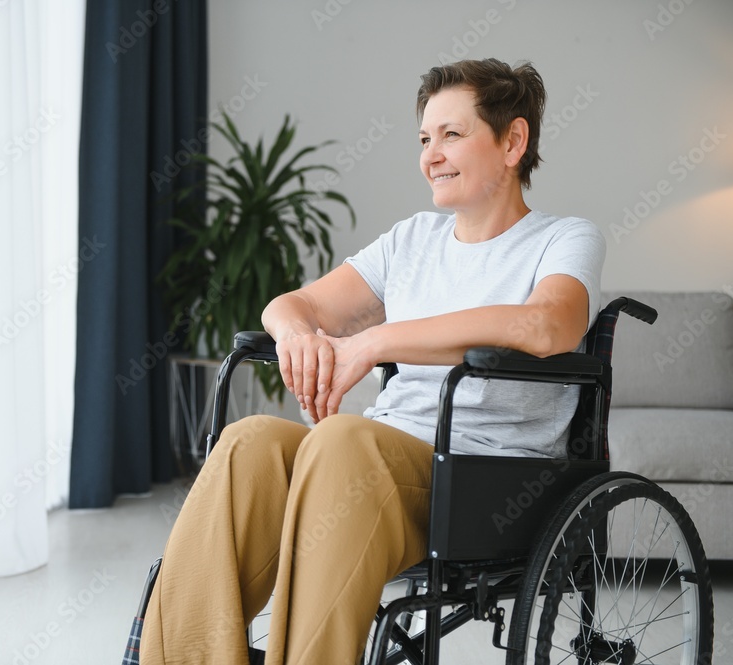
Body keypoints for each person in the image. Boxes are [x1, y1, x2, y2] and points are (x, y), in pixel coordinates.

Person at [137, 58, 606, 665]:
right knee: (247, 441)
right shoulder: (411, 240)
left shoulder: (563, 238)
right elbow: (292, 303)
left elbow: (548, 325)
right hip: (375, 461)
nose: (430, 155)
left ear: (513, 140)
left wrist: (375, 342)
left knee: (340, 441)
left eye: (452, 135)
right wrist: (296, 334)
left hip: (485, 479)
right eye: (424, 139)